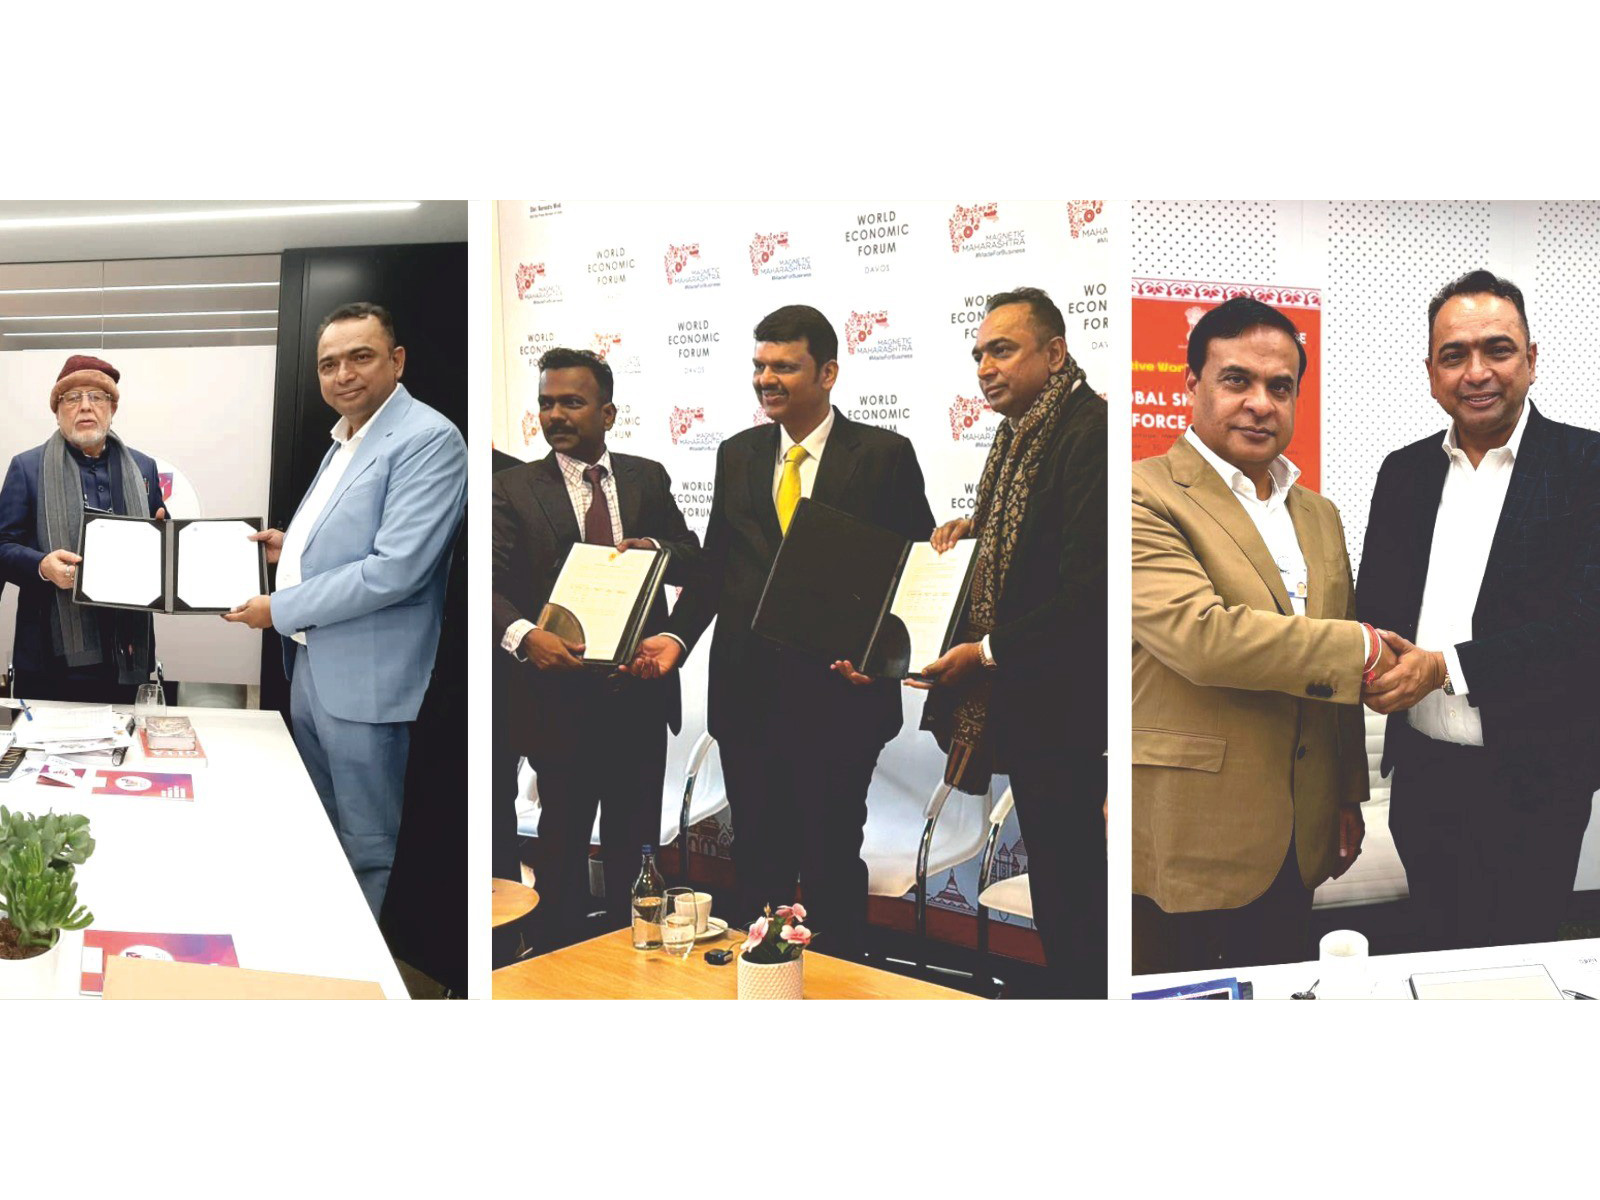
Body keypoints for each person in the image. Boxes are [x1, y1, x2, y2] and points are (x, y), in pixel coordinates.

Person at [629, 305, 935, 955]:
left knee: (829, 861)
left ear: (827, 372)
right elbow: (717, 569)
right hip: (747, 699)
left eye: (784, 367)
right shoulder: (738, 454)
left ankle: (842, 988)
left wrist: (880, 660)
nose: (767, 379)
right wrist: (678, 638)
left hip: (840, 700)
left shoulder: (883, 456)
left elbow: (910, 578)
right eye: (760, 366)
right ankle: (761, 987)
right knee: (760, 865)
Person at [1132, 296, 1388, 974]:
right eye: (1236, 380)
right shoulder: (1139, 496)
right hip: (1189, 826)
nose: (1260, 403)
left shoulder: (1319, 513)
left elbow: (1330, 674)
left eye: (1280, 387)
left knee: (1279, 995)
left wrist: (1346, 795)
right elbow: (1202, 637)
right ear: (1191, 386)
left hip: (1300, 833)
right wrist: (1368, 648)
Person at [1357, 270, 1600, 951]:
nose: (1476, 371)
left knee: (1519, 958)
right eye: (1454, 354)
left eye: (1497, 349)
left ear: (1531, 360)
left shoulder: (1587, 466)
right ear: (1431, 372)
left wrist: (1444, 669)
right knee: (1433, 945)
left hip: (1538, 779)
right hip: (1424, 778)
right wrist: (1369, 665)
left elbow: (1589, 625)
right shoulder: (1401, 472)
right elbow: (1374, 607)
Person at [222, 303, 466, 917]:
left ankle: (358, 980)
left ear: (397, 360)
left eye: (361, 357)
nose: (343, 374)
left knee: (364, 841)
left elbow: (396, 568)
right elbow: (348, 536)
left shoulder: (427, 438)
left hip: (366, 678)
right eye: (329, 363)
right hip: (314, 666)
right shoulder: (346, 438)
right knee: (318, 826)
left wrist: (278, 606)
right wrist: (291, 549)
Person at [912, 287, 1106, 998]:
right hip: (1034, 707)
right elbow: (1039, 545)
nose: (985, 369)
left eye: (1003, 350)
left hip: (1071, 711)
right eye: (978, 355)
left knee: (1078, 894)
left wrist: (986, 653)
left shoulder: (1091, 433)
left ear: (1055, 354)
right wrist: (980, 532)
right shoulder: (1021, 433)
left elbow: (1091, 590)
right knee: (1063, 887)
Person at [492, 348, 700, 947]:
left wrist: (655, 553)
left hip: (637, 693)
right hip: (558, 702)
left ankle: (637, 962)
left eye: (572, 402)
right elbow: (490, 586)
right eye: (546, 403)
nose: (555, 414)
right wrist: (527, 638)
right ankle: (558, 968)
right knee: (560, 848)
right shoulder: (511, 488)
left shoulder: (646, 477)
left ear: (607, 412)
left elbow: (695, 559)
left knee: (636, 850)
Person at [0, 354, 166, 703]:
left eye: (97, 397)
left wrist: (164, 537)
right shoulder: (27, 468)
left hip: (126, 649)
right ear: (57, 410)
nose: (85, 407)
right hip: (51, 653)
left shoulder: (143, 467)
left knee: (123, 751)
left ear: (112, 407)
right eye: (73, 398)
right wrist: (41, 566)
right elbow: (3, 546)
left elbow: (158, 540)